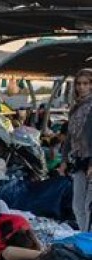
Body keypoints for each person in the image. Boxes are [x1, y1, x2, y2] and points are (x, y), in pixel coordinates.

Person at [63, 67, 92, 232]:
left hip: (90, 159)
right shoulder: (75, 108)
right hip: (79, 159)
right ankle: (84, 236)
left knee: (89, 205)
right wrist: (64, 160)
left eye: (86, 83)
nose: (81, 87)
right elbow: (69, 136)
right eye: (79, 84)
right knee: (77, 205)